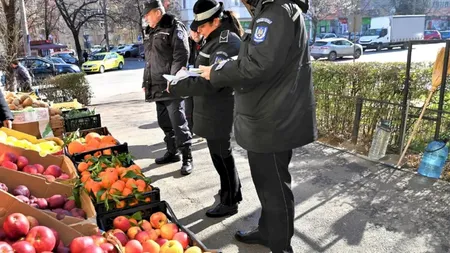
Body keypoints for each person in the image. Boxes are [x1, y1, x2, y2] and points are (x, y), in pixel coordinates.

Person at [199, 0, 315, 252]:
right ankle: (268, 230)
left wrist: (217, 71)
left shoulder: (276, 11)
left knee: (274, 188)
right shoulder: (272, 10)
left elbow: (257, 64)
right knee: (266, 184)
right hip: (267, 114)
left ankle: (281, 245)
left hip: (272, 118)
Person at [167, 0, 243, 217]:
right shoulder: (214, 39)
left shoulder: (226, 42)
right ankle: (231, 190)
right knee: (219, 155)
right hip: (212, 108)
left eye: (202, 26)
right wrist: (187, 73)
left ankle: (230, 202)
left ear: (216, 21)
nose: (198, 30)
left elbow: (213, 81)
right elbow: (205, 72)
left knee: (222, 155)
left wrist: (177, 83)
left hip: (219, 109)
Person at [142, 0, 194, 175]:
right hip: (156, 85)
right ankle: (172, 152)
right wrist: (145, 82)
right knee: (164, 122)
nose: (146, 18)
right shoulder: (151, 31)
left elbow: (181, 55)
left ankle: (187, 157)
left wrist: (173, 80)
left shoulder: (174, 27)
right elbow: (149, 60)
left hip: (171, 85)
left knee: (178, 122)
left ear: (158, 12)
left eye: (148, 14)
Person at [184, 31, 202, 135]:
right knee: (188, 108)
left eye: (197, 32)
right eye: (193, 32)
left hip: (199, 78)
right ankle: (189, 131)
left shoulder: (205, 42)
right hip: (188, 78)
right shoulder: (186, 42)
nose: (195, 35)